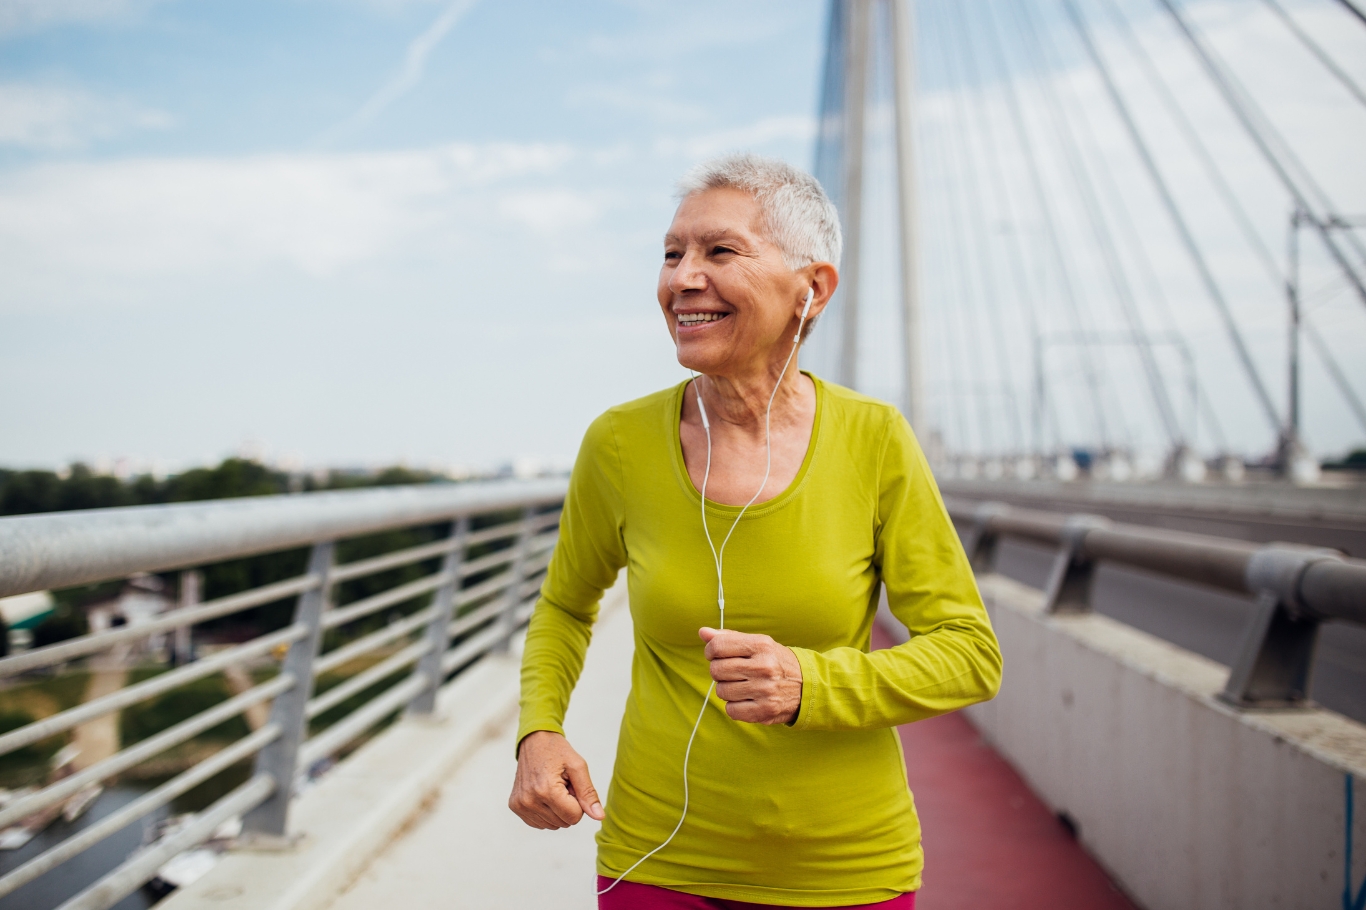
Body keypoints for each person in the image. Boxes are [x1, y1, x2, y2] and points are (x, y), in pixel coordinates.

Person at [509, 153, 1002, 909]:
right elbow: (565, 608)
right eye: (672, 254)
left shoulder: (875, 441)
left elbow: (970, 655)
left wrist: (811, 682)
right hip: (656, 859)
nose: (681, 279)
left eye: (720, 251)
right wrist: (539, 732)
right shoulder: (618, 442)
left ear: (813, 288)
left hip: (846, 868)